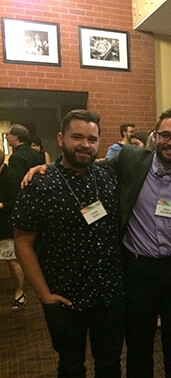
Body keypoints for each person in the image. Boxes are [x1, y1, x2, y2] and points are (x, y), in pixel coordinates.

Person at [11, 109, 124, 377]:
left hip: (109, 294)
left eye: (92, 139)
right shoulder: (40, 183)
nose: (85, 144)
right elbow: (23, 244)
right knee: (71, 367)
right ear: (61, 138)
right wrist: (45, 297)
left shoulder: (108, 176)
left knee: (110, 364)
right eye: (77, 137)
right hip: (65, 298)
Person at [106, 109, 171, 377]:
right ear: (155, 136)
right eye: (166, 135)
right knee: (138, 345)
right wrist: (49, 167)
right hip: (138, 269)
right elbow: (90, 166)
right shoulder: (130, 159)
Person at [0, 149, 26, 311]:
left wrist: (1, 205)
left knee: (12, 262)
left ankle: (20, 292)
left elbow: (16, 203)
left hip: (6, 226)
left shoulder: (10, 177)